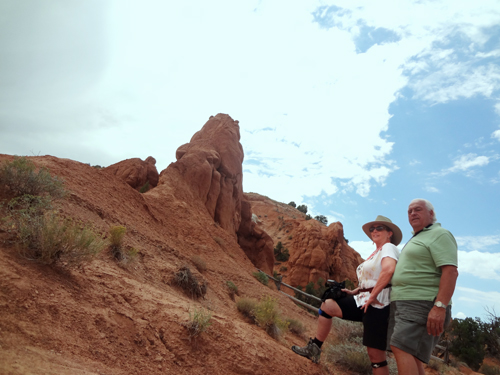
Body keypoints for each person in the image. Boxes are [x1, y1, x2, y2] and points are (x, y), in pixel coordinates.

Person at [292, 215, 402, 374]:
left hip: (379, 304)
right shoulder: (375, 252)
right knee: (328, 304)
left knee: (375, 355)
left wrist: (372, 296)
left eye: (380, 228)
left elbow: (389, 270)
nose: (375, 231)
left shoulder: (388, 248)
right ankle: (314, 349)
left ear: (390, 233)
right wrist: (355, 291)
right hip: (363, 300)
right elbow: (371, 280)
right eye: (372, 228)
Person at [388, 199, 458, 375]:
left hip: (423, 302)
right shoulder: (419, 237)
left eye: (417, 209)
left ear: (431, 214)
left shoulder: (439, 234)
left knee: (400, 346)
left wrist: (440, 306)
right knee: (412, 355)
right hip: (406, 302)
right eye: (409, 211)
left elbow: (450, 271)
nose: (412, 213)